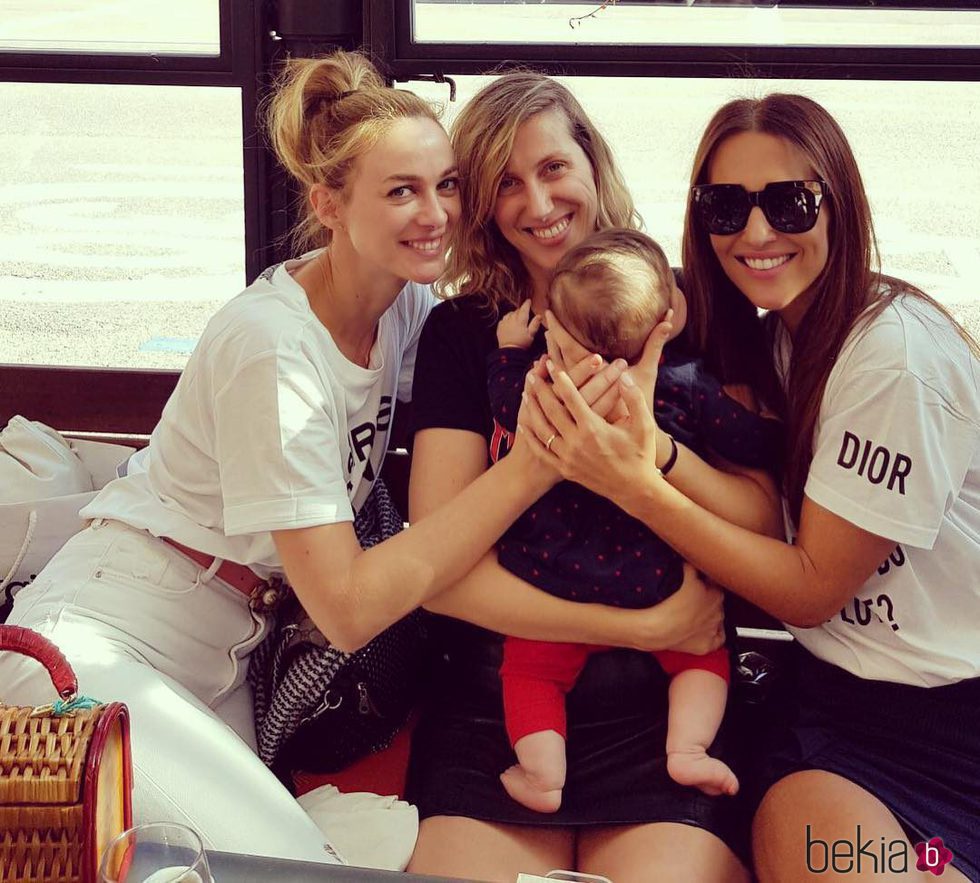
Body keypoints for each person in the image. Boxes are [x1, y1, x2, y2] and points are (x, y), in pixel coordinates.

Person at [0, 50, 560, 864]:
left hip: (227, 657)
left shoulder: (403, 309)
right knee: (287, 868)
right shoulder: (275, 350)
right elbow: (348, 607)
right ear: (326, 202)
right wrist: (530, 468)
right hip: (99, 648)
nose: (436, 212)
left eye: (446, 185)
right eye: (401, 190)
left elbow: (474, 391)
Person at [520, 93, 980, 882]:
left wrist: (636, 483)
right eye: (726, 207)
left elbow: (809, 591)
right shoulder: (779, 339)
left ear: (841, 203)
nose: (757, 233)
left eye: (790, 203)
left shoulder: (893, 361)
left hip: (949, 715)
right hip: (835, 714)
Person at [406, 72, 781, 883]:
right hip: (503, 695)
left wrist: (650, 459)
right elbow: (434, 574)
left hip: (672, 702)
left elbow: (763, 518)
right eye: (505, 183)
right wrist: (645, 626)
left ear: (592, 163)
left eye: (552, 168)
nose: (537, 203)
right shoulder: (468, 334)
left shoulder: (690, 312)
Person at [488, 228, 782, 813]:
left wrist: (508, 352)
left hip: (552, 582)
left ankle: (543, 775)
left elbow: (502, 403)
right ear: (665, 324)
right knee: (701, 656)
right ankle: (690, 748)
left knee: (528, 672)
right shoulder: (687, 383)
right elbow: (749, 438)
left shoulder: (547, 385)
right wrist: (770, 419)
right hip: (657, 581)